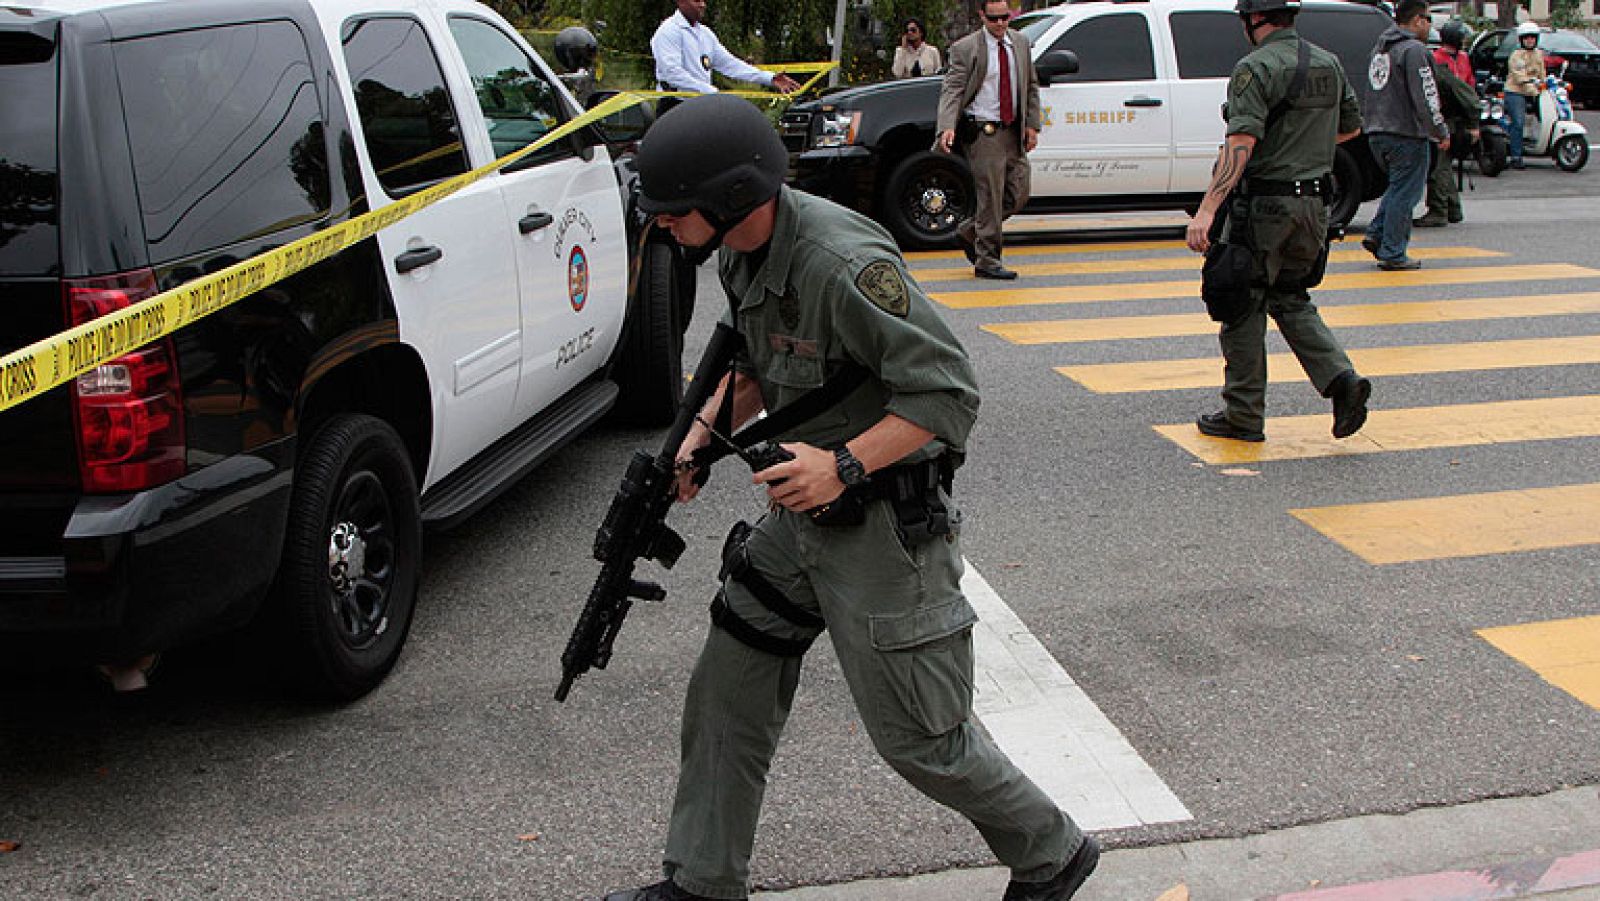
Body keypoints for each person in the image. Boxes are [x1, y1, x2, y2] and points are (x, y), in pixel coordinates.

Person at [602, 93, 1099, 901]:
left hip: (882, 530)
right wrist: (696, 444)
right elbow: (758, 368)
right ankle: (701, 881)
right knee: (727, 692)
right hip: (798, 521)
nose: (661, 225)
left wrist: (844, 466)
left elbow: (947, 391)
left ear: (726, 201)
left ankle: (1051, 850)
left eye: (670, 211)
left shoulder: (841, 263)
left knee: (921, 739)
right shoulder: (739, 251)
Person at [1185, 0, 1373, 444]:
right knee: (1289, 295)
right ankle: (1341, 379)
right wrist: (1302, 143)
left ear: (1254, 20)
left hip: (1265, 207)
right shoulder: (1327, 63)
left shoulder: (1255, 68)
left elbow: (1241, 144)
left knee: (1241, 303)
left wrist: (1207, 211)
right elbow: (1349, 127)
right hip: (1314, 205)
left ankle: (1244, 415)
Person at [936, 0, 1042, 281]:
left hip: (1013, 130)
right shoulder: (966, 48)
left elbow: (1030, 86)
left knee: (1018, 192)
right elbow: (953, 90)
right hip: (985, 132)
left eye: (1005, 18)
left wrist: (1032, 125)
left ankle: (971, 231)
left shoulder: (1019, 43)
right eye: (994, 19)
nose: (1000, 24)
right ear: (982, 16)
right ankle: (987, 259)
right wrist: (946, 127)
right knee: (990, 197)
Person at [1358, 0, 1449, 271]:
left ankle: (1377, 234)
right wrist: (1439, 130)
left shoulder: (1381, 49)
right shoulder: (1415, 51)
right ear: (1417, 20)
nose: (1430, 26)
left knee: (1398, 186)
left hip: (1377, 130)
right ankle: (1393, 251)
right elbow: (1426, 97)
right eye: (1428, 19)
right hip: (1405, 132)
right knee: (1407, 193)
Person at [650, 0, 800, 98]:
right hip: (675, 106)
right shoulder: (668, 31)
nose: (702, 5)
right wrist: (709, 91)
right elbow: (671, 73)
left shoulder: (706, 34)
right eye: (696, 1)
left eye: (703, 0)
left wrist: (769, 78)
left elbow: (731, 65)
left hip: (702, 105)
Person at [1414, 49, 1481, 228]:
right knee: (1443, 167)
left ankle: (1439, 210)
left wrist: (1473, 125)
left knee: (1439, 167)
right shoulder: (1440, 68)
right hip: (1445, 122)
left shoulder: (1440, 73)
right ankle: (1452, 208)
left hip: (1447, 123)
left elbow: (1470, 100)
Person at [1505, 22, 1545, 169]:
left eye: (1533, 38)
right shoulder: (1516, 56)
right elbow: (1519, 77)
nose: (1530, 40)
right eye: (1527, 38)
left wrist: (1546, 85)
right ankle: (1516, 156)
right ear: (1521, 39)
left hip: (1534, 91)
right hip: (1516, 92)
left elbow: (1542, 74)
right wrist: (1534, 89)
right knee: (1518, 122)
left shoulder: (1538, 54)